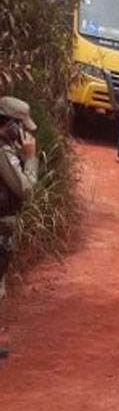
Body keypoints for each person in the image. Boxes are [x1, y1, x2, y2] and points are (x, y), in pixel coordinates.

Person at [0, 97, 37, 301]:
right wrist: (30, 158)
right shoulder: (3, 152)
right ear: (11, 125)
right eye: (22, 126)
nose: (26, 132)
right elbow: (26, 191)